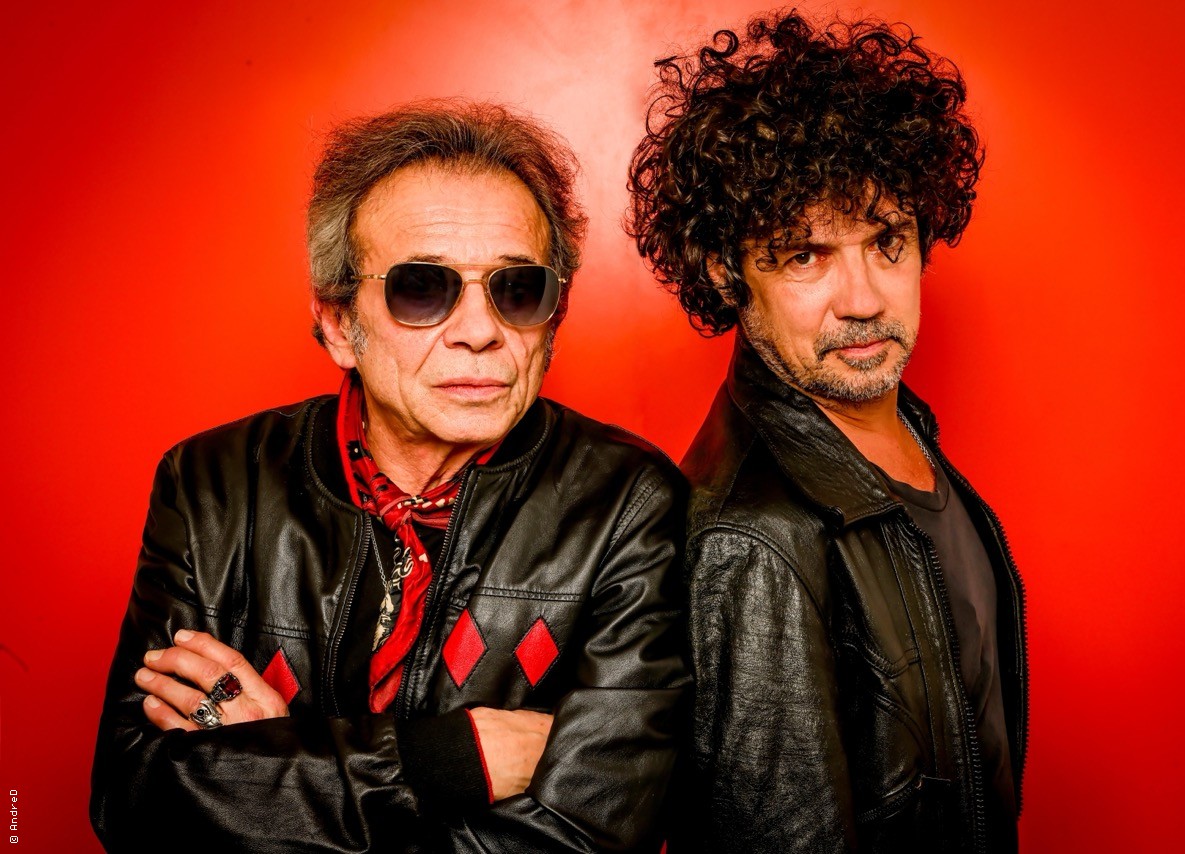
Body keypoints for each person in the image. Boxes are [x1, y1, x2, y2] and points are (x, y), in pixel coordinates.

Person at [92, 101, 688, 852]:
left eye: (518, 289)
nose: (481, 332)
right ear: (340, 325)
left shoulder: (629, 501)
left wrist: (277, 764)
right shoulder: (213, 483)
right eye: (422, 289)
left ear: (554, 323)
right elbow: (133, 799)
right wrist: (448, 761)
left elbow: (591, 833)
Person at [628, 13, 1027, 853]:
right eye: (805, 255)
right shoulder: (752, 540)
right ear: (725, 270)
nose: (864, 300)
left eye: (887, 242)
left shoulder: (902, 430)